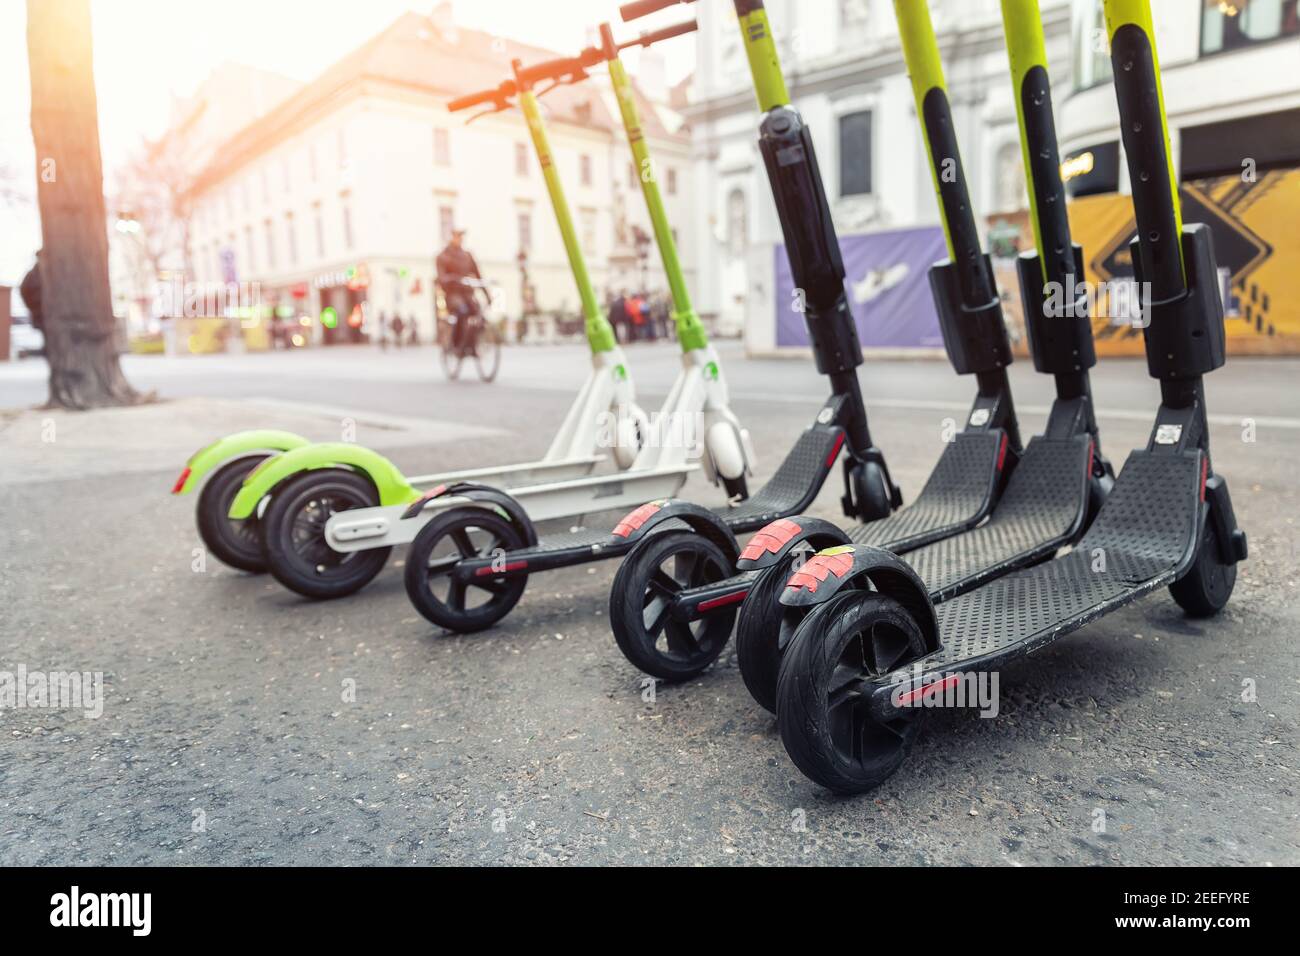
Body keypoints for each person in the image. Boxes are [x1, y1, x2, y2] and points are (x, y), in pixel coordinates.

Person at [436, 228, 482, 352]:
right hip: (453, 294)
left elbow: (479, 275)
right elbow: (441, 277)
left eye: (461, 237)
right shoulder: (443, 256)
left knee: (478, 312)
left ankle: (473, 344)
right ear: (452, 237)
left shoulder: (467, 256)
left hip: (467, 294)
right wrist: (452, 278)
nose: (459, 239)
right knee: (462, 311)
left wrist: (488, 295)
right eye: (457, 236)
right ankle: (456, 344)